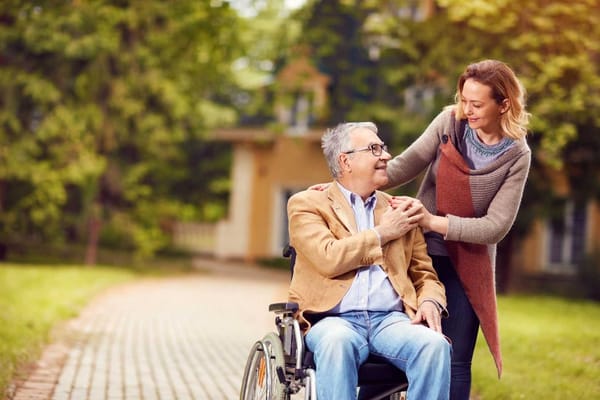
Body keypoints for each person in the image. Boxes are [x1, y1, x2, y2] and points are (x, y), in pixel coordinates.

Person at [384, 59, 531, 399]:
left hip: (469, 263)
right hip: (419, 256)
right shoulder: (450, 122)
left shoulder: (517, 155)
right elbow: (403, 166)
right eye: (464, 100)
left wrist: (432, 221)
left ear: (504, 104)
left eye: (477, 104)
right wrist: (344, 184)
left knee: (456, 359)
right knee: (399, 348)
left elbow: (495, 227)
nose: (467, 109)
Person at [287, 122, 451, 400]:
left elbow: (425, 275)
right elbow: (329, 257)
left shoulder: (400, 208)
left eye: (384, 148)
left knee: (434, 345)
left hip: (392, 320)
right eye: (374, 149)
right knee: (337, 343)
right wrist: (382, 233)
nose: (386, 156)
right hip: (333, 319)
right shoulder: (307, 204)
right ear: (345, 161)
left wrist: (430, 300)